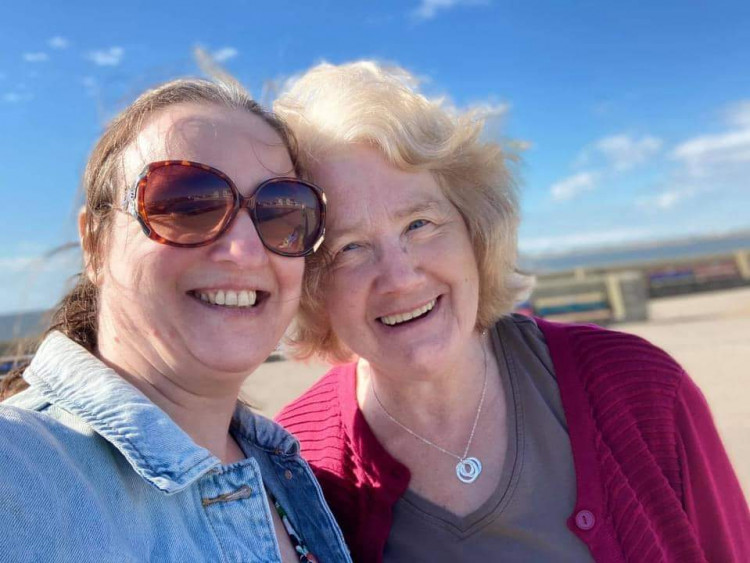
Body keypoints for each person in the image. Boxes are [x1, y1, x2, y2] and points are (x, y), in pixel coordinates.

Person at [274, 61, 750, 562]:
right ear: (308, 282)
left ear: (475, 231)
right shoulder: (295, 463)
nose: (401, 277)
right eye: (348, 247)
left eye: (419, 223)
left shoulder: (640, 386)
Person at [0, 78, 350, 562]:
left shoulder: (285, 471)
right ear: (95, 243)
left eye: (280, 212)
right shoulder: (21, 467)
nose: (246, 249)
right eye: (185, 203)